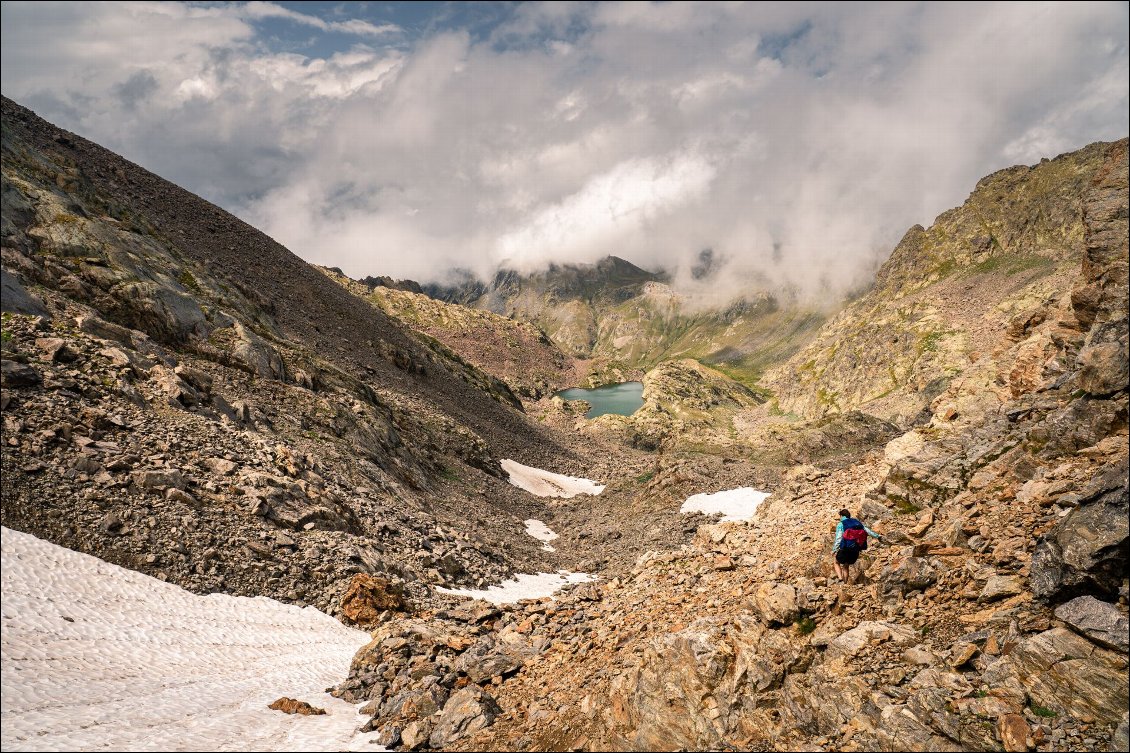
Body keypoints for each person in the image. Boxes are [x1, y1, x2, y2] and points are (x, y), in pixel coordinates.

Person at [832, 508, 882, 584]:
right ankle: (845, 584)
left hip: (845, 548)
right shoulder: (857, 522)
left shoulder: (841, 524)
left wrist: (834, 549)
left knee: (836, 562)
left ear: (841, 516)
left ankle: (840, 579)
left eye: (840, 516)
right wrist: (877, 536)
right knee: (846, 565)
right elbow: (867, 530)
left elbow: (838, 538)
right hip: (856, 549)